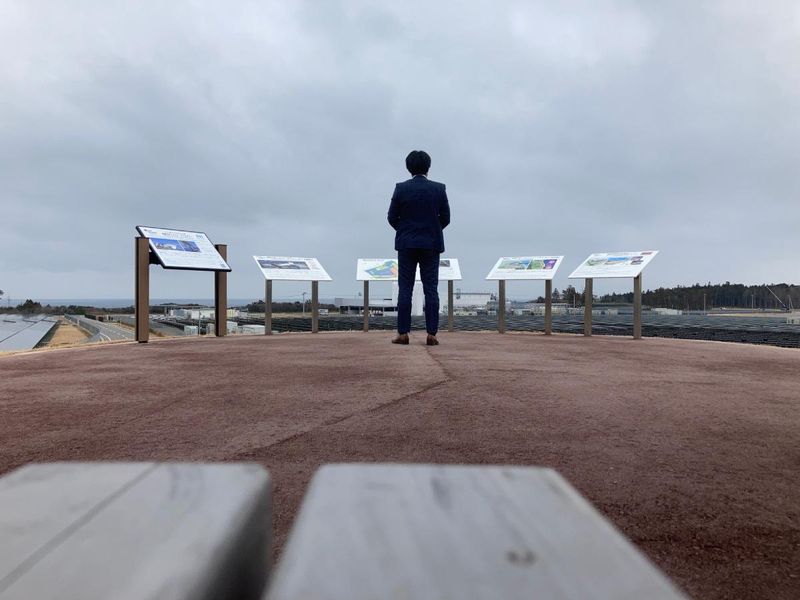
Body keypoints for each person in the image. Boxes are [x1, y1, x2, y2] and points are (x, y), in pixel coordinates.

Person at [387, 150, 451, 346]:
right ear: (428, 167)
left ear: (409, 167)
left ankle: (403, 333)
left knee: (405, 288)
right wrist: (431, 230)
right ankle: (432, 334)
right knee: (431, 288)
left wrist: (405, 230)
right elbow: (446, 218)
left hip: (406, 244)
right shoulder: (439, 189)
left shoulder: (401, 188)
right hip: (431, 244)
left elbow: (391, 217)